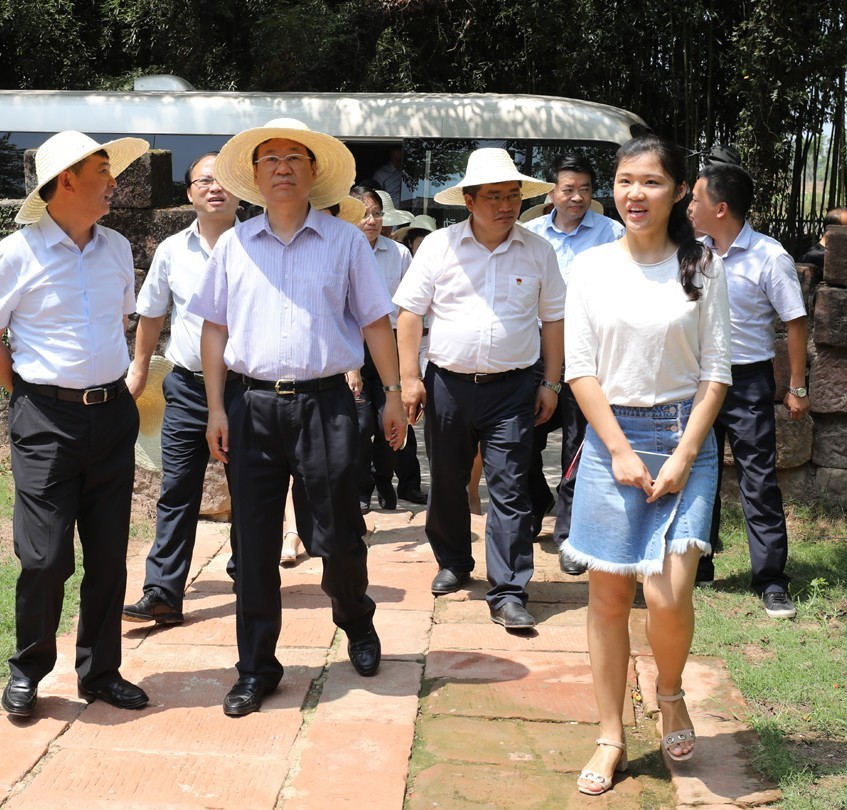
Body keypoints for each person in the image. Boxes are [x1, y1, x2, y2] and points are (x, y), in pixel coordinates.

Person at [189, 118, 407, 717]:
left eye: (294, 158)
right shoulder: (234, 245)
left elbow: (373, 323)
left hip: (328, 404)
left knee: (338, 532)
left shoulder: (344, 242)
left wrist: (391, 392)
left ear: (314, 172)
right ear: (254, 176)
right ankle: (256, 667)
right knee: (253, 543)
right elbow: (214, 329)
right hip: (251, 405)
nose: (282, 166)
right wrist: (214, 408)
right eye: (270, 159)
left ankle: (355, 622)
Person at [560, 135, 731, 795]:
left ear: (679, 190)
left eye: (653, 182)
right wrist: (621, 451)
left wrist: (687, 451)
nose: (637, 194)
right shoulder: (592, 267)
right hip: (612, 440)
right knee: (606, 596)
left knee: (668, 591)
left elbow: (718, 369)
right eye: (626, 181)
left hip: (684, 434)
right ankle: (609, 734)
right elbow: (580, 369)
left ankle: (669, 690)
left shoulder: (702, 266)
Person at [0, 131, 152, 718]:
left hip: (112, 417)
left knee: (107, 555)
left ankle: (100, 672)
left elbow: (121, 320)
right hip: (44, 419)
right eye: (103, 170)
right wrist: (31, 397)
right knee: (45, 558)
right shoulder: (13, 255)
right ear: (67, 180)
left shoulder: (117, 248)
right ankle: (28, 670)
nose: (113, 182)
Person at [393, 147, 565, 632]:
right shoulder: (440, 247)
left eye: (512, 195)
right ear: (469, 200)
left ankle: (509, 589)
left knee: (510, 486)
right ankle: (453, 560)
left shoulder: (538, 251)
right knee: (447, 480)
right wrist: (409, 379)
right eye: (494, 196)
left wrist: (551, 381)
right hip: (447, 383)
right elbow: (409, 315)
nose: (505, 205)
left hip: (514, 387)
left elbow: (553, 320)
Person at [122, 152, 242, 626]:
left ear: (241, 190)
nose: (215, 188)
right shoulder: (172, 250)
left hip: (246, 390)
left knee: (250, 490)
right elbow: (151, 315)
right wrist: (138, 368)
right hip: (187, 389)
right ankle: (163, 592)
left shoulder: (259, 243)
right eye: (204, 181)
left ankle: (248, 574)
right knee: (176, 490)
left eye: (224, 180)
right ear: (190, 193)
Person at [688, 161, 808, 618]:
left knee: (756, 479)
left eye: (696, 199)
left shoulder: (768, 256)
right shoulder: (691, 252)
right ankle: (698, 562)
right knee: (698, 474)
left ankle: (771, 580)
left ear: (721, 208)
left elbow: (795, 322)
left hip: (746, 380)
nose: (690, 206)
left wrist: (796, 385)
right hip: (697, 380)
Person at [523, 153, 626, 576]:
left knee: (577, 447)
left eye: (585, 189)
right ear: (552, 193)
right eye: (568, 189)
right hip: (534, 354)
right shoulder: (528, 235)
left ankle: (569, 535)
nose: (577, 197)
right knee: (520, 439)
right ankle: (535, 502)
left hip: (589, 356)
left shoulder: (611, 234)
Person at [347, 185, 425, 511]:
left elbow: (411, 309)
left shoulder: (399, 254)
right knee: (361, 423)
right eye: (364, 213)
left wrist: (414, 361)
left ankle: (384, 478)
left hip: (391, 345)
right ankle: (362, 487)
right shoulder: (343, 251)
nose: (372, 220)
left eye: (377, 213)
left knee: (390, 421)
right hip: (354, 347)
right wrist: (351, 365)